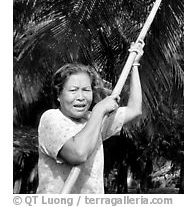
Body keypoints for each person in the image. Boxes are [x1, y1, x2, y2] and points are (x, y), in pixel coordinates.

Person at [36, 40, 144, 194]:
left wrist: (134, 65)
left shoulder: (92, 120)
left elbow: (134, 109)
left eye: (86, 90)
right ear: (58, 95)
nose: (81, 97)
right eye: (73, 90)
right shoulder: (52, 119)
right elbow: (78, 154)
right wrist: (100, 110)